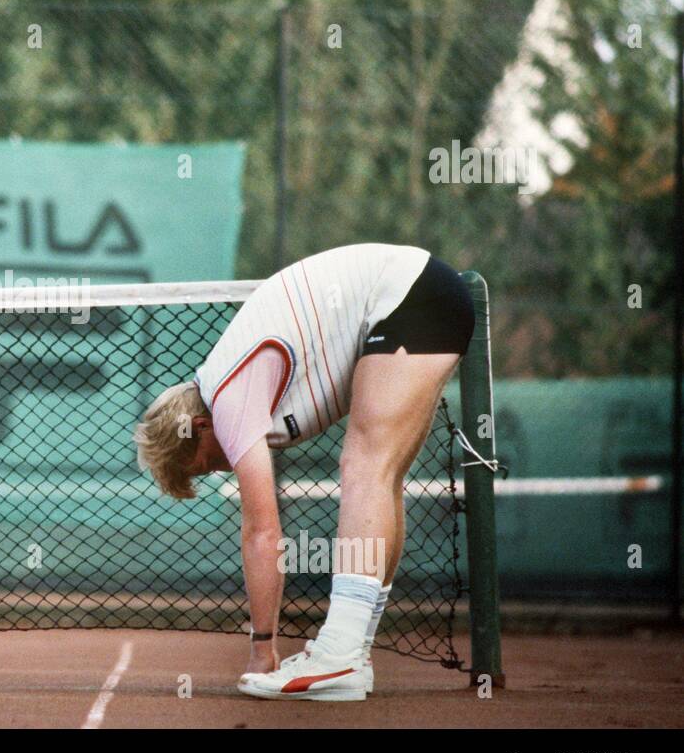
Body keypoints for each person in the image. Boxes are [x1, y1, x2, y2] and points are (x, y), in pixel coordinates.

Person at [133, 243, 473, 701]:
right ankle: (354, 654)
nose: (224, 467)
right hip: (425, 295)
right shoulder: (233, 393)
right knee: (381, 475)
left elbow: (261, 533)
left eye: (209, 463)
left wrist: (262, 650)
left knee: (363, 467)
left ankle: (340, 655)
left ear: (198, 426)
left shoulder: (227, 400)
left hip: (411, 297)